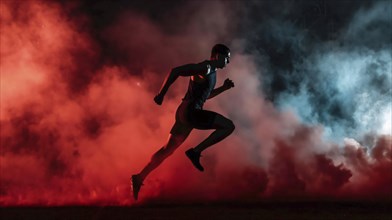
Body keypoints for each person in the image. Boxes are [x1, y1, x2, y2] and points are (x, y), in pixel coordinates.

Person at [131, 44, 235, 200]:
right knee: (228, 126)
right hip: (191, 112)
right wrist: (161, 94)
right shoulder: (205, 67)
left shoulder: (211, 72)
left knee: (167, 150)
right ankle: (196, 151)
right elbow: (176, 71)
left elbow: (205, 95)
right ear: (218, 56)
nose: (228, 61)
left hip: (185, 112)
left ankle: (139, 177)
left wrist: (223, 88)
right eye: (227, 57)